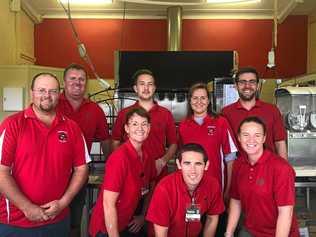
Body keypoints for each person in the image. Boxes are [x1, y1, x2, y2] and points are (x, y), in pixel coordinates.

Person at [0, 73, 89, 237]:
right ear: (32, 92)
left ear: (59, 94)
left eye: (52, 91)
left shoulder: (72, 128)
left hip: (57, 221)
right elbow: (1, 172)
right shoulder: (12, 125)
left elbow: (81, 169)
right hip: (16, 223)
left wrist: (63, 203)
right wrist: (27, 207)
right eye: (41, 90)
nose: (47, 95)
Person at [57, 63, 111, 237]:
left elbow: (105, 140)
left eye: (81, 79)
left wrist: (111, 167)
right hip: (51, 172)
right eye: (72, 78)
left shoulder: (95, 110)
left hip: (78, 174)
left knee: (74, 220)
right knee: (49, 220)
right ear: (64, 82)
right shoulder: (53, 104)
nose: (77, 82)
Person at [225, 116, 299, 237]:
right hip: (250, 231)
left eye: (257, 135)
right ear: (238, 137)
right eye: (246, 135)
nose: (251, 140)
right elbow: (236, 200)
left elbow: (286, 212)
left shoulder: (281, 168)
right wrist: (229, 233)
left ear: (264, 138)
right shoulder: (239, 164)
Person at [89, 107, 156, 237]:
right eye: (134, 124)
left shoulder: (147, 155)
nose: (140, 128)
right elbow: (108, 204)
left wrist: (143, 215)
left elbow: (151, 184)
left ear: (149, 128)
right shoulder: (119, 158)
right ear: (126, 128)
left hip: (126, 223)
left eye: (144, 124)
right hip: (106, 229)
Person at [146, 143, 225, 237]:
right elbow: (161, 233)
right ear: (179, 164)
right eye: (187, 163)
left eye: (198, 164)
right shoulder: (164, 189)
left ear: (206, 165)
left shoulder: (212, 185)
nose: (193, 170)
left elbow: (212, 218)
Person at [111, 69, 177, 178]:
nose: (146, 88)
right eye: (142, 84)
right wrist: (123, 163)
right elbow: (115, 142)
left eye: (150, 84)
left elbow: (173, 144)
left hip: (157, 172)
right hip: (131, 172)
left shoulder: (166, 114)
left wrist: (162, 161)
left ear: (154, 88)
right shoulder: (124, 113)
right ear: (135, 88)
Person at [178, 83, 237, 201]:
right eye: (195, 98)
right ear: (189, 101)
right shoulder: (183, 126)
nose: (199, 101)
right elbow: (180, 162)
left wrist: (228, 189)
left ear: (209, 101)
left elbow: (231, 158)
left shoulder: (221, 122)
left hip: (216, 188)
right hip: (190, 190)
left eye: (203, 98)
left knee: (216, 218)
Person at [221, 67, 287, 159]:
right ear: (236, 86)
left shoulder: (272, 110)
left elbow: (280, 143)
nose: (247, 86)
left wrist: (284, 170)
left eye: (252, 82)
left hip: (268, 169)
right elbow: (225, 147)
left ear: (257, 86)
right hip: (240, 169)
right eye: (242, 82)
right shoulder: (226, 113)